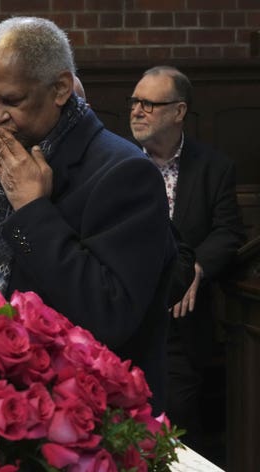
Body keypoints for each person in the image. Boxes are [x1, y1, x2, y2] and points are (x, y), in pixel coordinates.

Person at [0, 17, 178, 413]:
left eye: (11, 101)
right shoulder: (6, 164)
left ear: (59, 89)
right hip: (12, 397)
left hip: (95, 410)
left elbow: (109, 315)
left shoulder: (126, 172)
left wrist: (32, 210)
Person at [129, 66, 246, 452]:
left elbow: (229, 232)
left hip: (181, 326)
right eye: (135, 101)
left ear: (178, 112)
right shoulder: (118, 162)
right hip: (124, 318)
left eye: (149, 103)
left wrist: (196, 267)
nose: (137, 111)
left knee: (179, 427)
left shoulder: (213, 167)